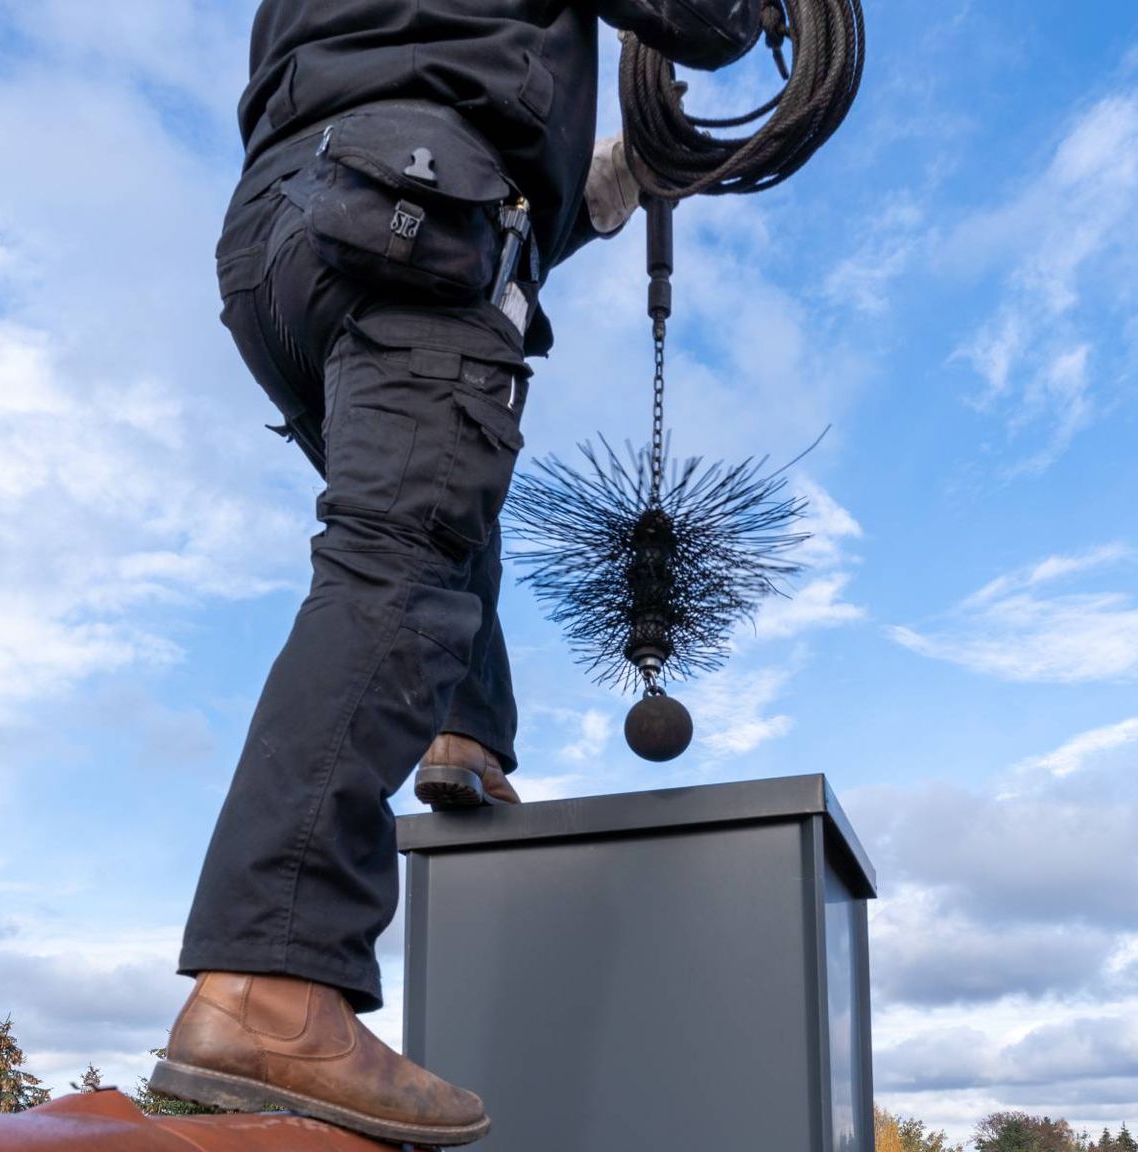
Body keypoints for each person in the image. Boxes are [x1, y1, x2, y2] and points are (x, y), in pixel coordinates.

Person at [152, 1, 763, 1146]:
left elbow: (447, 85)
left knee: (433, 503)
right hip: (409, 207)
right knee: (403, 551)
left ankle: (463, 736)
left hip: (287, 236)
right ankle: (268, 986)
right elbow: (702, 21)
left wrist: (624, 169)